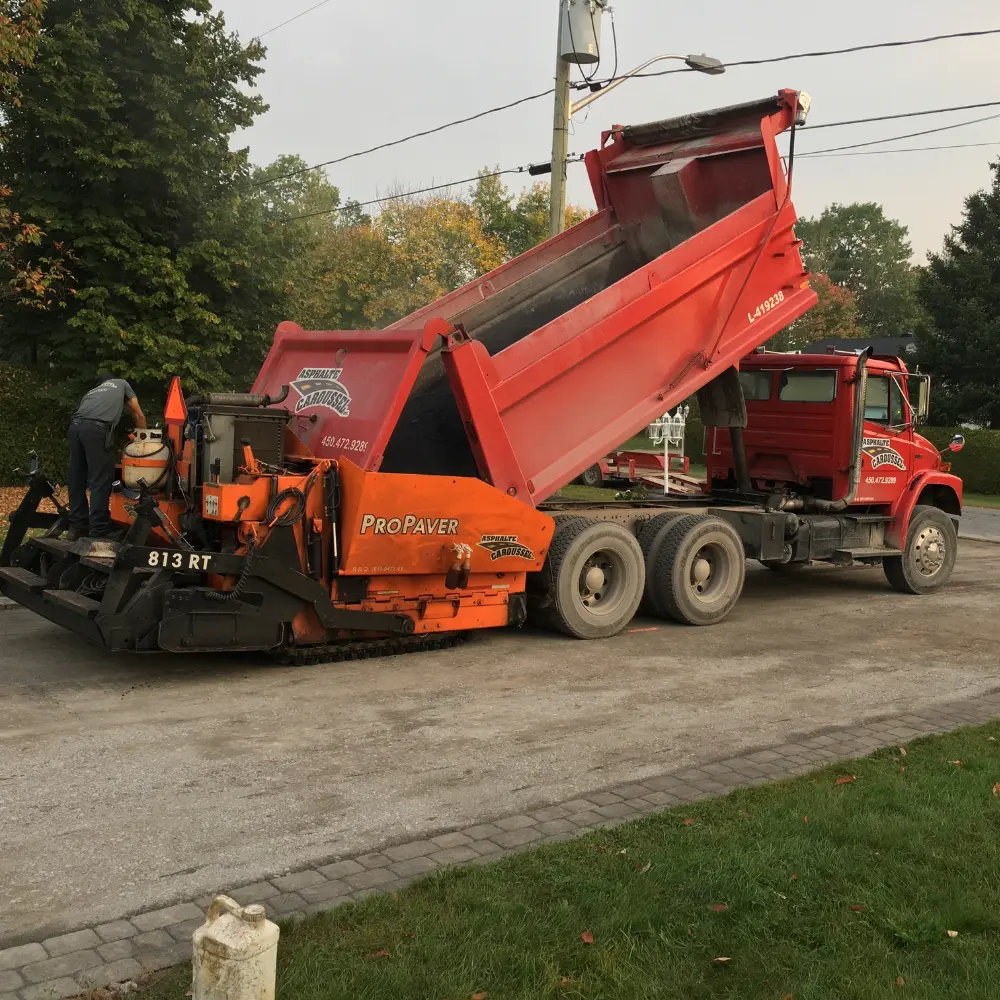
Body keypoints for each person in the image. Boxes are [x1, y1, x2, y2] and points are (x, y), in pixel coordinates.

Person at [67, 373, 146, 541]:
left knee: (76, 477)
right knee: (100, 478)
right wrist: (144, 443)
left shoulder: (92, 392)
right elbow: (139, 415)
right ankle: (99, 530)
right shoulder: (122, 383)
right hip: (96, 430)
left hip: (74, 428)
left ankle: (77, 527)